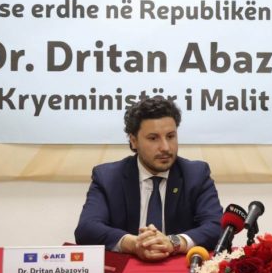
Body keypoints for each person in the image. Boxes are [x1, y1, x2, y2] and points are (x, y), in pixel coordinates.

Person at [75, 97, 223, 261]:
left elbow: (217, 226)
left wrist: (174, 242)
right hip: (129, 270)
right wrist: (133, 244)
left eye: (170, 136)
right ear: (134, 141)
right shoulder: (108, 177)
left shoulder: (195, 174)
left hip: (179, 269)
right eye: (153, 138)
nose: (165, 147)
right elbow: (87, 229)